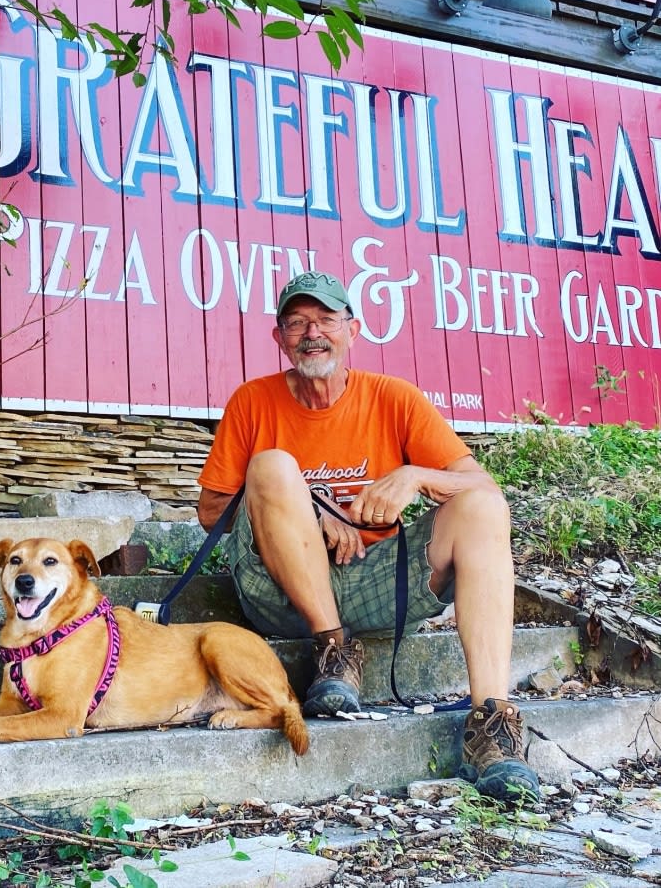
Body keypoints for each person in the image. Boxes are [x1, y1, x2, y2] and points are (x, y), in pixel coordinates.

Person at [197, 270, 539, 804]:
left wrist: (416, 476)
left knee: (481, 507)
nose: (313, 332)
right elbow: (211, 510)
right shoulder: (252, 401)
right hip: (280, 589)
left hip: (375, 580)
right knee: (271, 466)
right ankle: (333, 651)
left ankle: (492, 725)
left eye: (327, 319)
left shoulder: (394, 398)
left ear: (352, 330)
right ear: (279, 338)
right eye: (297, 322)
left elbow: (482, 485)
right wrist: (307, 508)